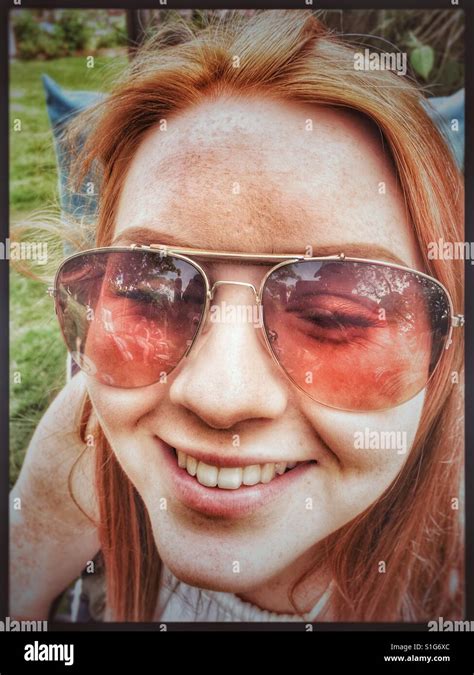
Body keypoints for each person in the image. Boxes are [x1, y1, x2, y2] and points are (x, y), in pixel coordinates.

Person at [10, 10, 464, 623]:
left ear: (443, 348)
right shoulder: (85, 439)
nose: (220, 397)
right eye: (151, 291)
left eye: (333, 316)